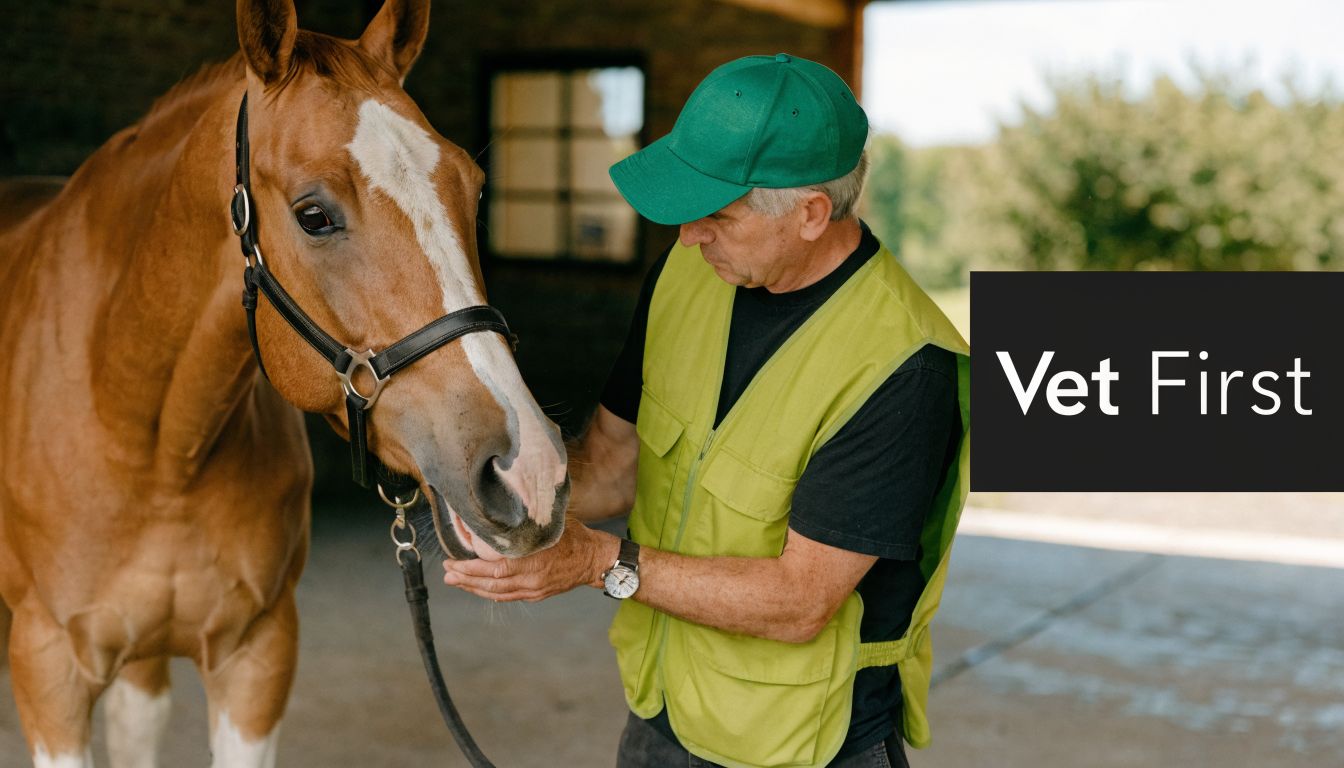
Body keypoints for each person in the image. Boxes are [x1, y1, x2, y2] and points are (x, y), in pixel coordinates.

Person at [443, 53, 970, 768]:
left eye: (717, 214)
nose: (689, 235)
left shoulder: (905, 367)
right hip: (662, 710)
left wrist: (596, 561)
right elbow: (615, 460)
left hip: (803, 746)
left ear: (812, 213)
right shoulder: (686, 277)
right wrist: (504, 502)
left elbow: (799, 599)